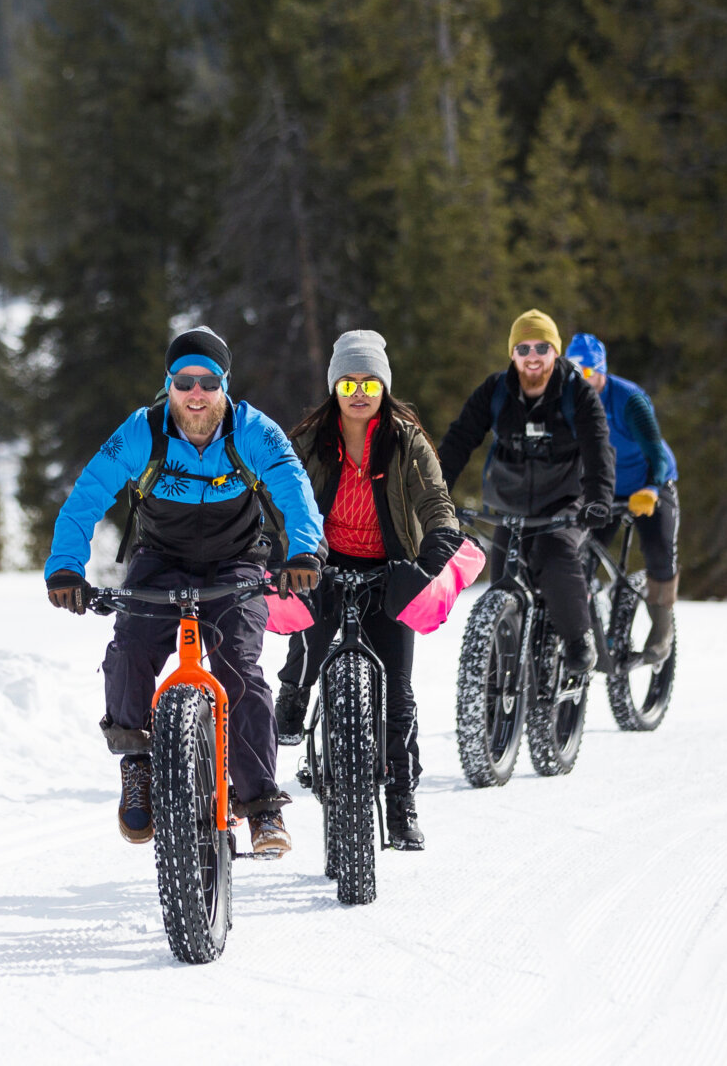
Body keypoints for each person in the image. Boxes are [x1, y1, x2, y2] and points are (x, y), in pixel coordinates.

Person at [45, 326, 324, 859]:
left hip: (237, 563)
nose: (196, 393)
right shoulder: (140, 433)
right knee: (128, 650)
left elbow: (293, 487)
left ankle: (262, 807)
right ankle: (138, 766)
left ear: (224, 385)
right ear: (168, 385)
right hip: (160, 562)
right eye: (184, 381)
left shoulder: (253, 431)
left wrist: (304, 551)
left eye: (208, 381)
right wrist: (64, 567)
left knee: (240, 671)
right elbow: (87, 495)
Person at [272, 330, 465, 851]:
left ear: (384, 386)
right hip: (322, 565)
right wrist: (278, 548)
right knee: (308, 645)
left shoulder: (405, 438)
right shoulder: (311, 440)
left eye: (370, 382)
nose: (360, 392)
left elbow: (434, 501)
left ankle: (401, 804)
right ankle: (293, 694)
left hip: (392, 570)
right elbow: (280, 498)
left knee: (398, 692)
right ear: (335, 386)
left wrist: (433, 553)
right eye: (349, 381)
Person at [436, 310, 613, 674]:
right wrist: (435, 494)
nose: (533, 356)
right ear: (512, 353)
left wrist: (598, 499)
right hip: (509, 502)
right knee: (502, 581)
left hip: (566, 501)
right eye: (523, 347)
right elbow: (459, 440)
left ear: (555, 352)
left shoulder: (576, 392)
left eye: (542, 347)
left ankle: (579, 640)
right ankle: (494, 689)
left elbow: (598, 447)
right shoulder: (495, 391)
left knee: (555, 553)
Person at [566, 333, 679, 664]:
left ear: (600, 371)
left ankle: (662, 631)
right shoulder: (567, 401)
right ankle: (584, 622)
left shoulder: (629, 400)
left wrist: (653, 488)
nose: (579, 380)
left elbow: (655, 451)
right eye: (572, 371)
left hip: (649, 482)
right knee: (576, 549)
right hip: (604, 486)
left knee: (658, 551)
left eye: (586, 373)